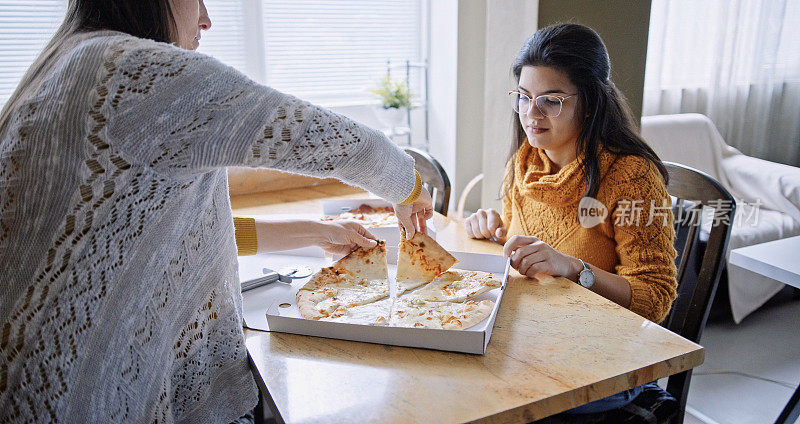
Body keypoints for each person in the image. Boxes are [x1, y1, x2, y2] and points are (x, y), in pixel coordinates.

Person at [0, 1, 432, 423]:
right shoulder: (136, 71)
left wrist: (317, 231)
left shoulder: (64, 61)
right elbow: (332, 140)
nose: (206, 19)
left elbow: (165, 238)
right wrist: (409, 185)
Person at [465, 23, 679, 422]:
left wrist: (573, 267)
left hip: (604, 363)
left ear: (592, 101)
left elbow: (654, 298)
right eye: (524, 98)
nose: (532, 113)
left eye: (551, 100)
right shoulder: (525, 164)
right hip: (534, 339)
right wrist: (496, 232)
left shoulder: (631, 176)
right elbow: (527, 253)